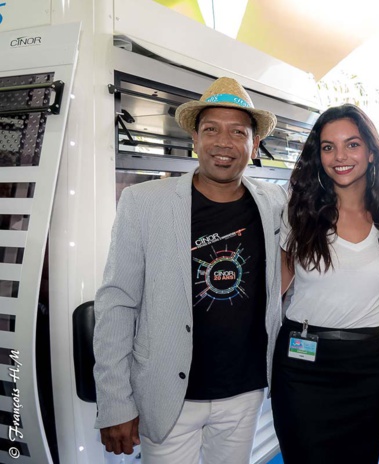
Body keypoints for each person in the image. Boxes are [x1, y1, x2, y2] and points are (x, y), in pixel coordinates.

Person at [93, 77, 287, 464]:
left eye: (238, 132)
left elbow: (330, 208)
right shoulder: (144, 202)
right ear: (194, 139)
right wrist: (115, 401)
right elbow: (117, 303)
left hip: (244, 392)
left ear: (254, 144)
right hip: (167, 393)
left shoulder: (273, 202)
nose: (223, 142)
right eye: (211, 129)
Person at [271, 104, 379, 463]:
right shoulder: (296, 210)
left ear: (371, 151)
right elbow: (275, 287)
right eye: (328, 147)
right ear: (318, 156)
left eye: (352, 144)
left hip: (367, 367)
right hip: (302, 367)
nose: (340, 156)